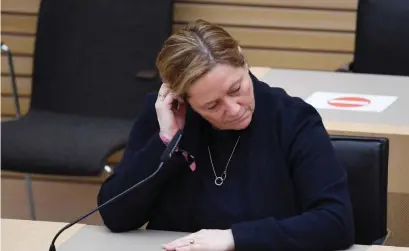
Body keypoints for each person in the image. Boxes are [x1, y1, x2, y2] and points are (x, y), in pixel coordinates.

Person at [97, 19, 355, 251]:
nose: (233, 109)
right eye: (212, 105)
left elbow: (335, 222)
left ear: (242, 59)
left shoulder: (292, 118)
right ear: (182, 100)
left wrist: (235, 238)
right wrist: (167, 141)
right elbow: (115, 216)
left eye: (236, 89)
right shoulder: (164, 117)